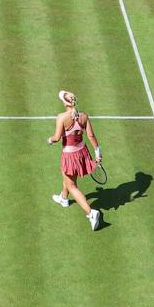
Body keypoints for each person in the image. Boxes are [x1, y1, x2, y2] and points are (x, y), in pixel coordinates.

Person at [48, 89, 103, 231]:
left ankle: (91, 213)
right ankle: (64, 199)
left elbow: (57, 137)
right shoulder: (84, 116)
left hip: (70, 155)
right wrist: (98, 153)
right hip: (82, 152)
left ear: (65, 103)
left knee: (72, 185)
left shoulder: (61, 117)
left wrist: (50, 140)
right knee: (68, 178)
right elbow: (91, 136)